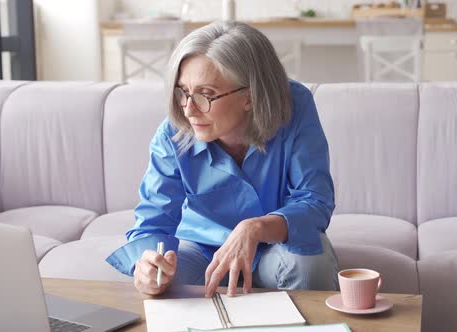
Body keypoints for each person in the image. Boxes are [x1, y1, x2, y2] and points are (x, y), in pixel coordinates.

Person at [106, 21, 338, 297]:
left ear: (249, 97)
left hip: (274, 246)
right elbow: (154, 222)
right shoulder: (173, 133)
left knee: (310, 261)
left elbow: (315, 200)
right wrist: (146, 266)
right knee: (162, 284)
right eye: (183, 92)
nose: (189, 110)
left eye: (206, 95)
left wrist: (255, 227)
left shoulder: (294, 105)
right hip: (201, 250)